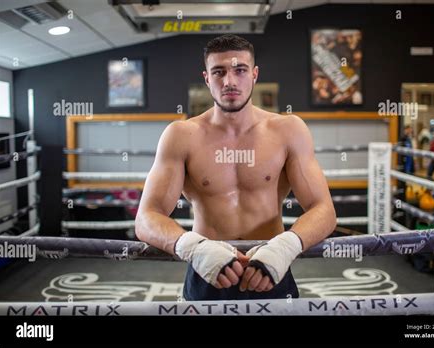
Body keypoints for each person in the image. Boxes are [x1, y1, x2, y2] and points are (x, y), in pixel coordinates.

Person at [135, 34, 337, 301]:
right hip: (207, 271)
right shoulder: (181, 135)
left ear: (254, 74)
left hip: (271, 267)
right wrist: (194, 248)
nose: (229, 81)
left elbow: (324, 210)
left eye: (239, 70)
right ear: (207, 78)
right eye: (218, 72)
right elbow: (147, 217)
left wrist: (285, 247)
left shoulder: (288, 130)